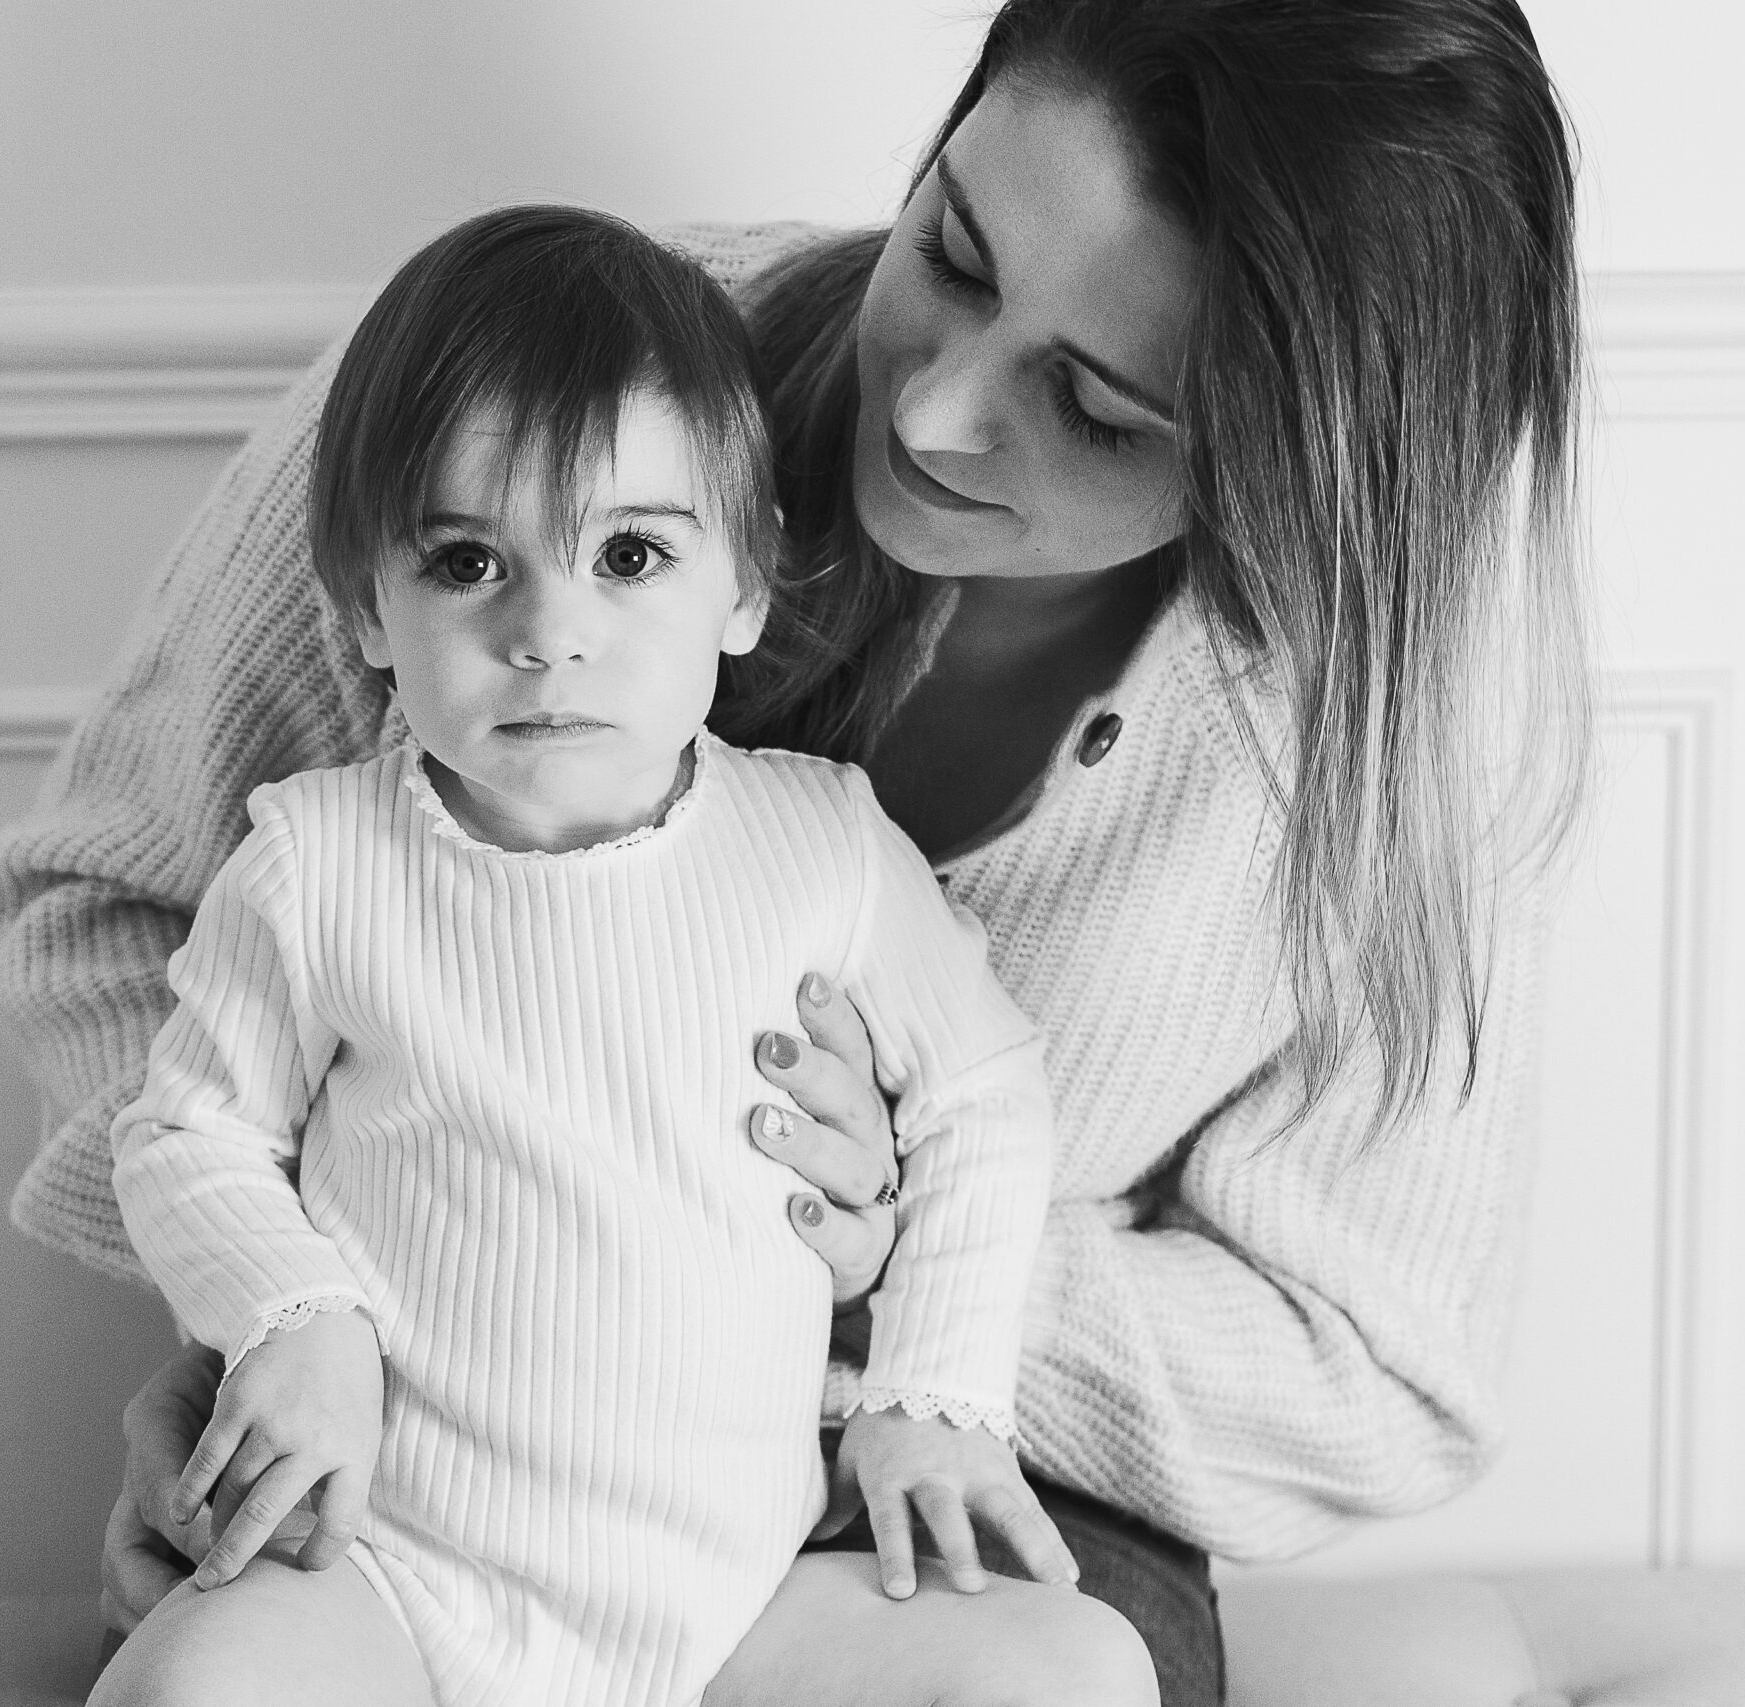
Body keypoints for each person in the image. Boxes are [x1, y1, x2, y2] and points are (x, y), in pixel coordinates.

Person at [0, 0, 1587, 1701]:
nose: (943, 413)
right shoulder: (506, 405)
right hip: (426, 1448)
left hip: (963, 1481)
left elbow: (1377, 1378)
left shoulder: (1399, 733)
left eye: (1098, 412)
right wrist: (286, 1298)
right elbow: (91, 918)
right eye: (954, 251)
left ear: (1297, 476)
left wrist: (923, 1261)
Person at [93, 205, 1082, 1707]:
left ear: (741, 589)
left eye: (629, 555)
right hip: (392, 1584)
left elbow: (986, 1102)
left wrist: (934, 1391)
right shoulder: (314, 862)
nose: (552, 633)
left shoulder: (823, 848)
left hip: (743, 1610)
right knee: (195, 1685)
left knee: (1074, 1666)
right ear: (365, 602)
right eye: (470, 562)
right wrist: (293, 1317)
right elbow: (187, 1133)